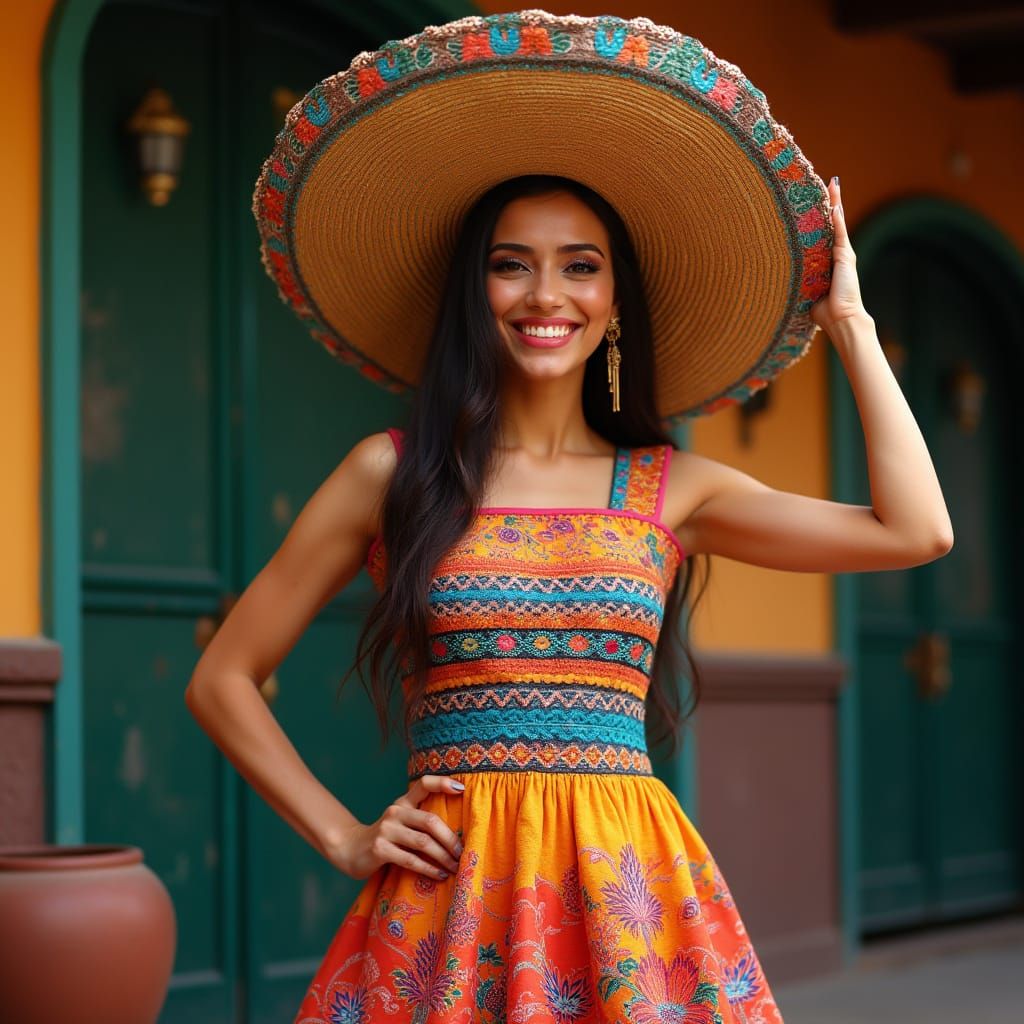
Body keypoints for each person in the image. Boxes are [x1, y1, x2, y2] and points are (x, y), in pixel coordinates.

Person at [186, 11, 953, 1023]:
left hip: (629, 902)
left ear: (616, 300)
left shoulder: (673, 488)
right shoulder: (392, 472)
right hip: (448, 904)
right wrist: (341, 834)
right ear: (475, 288)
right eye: (511, 263)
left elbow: (916, 530)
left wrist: (849, 326)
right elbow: (222, 678)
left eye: (580, 265)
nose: (545, 293)